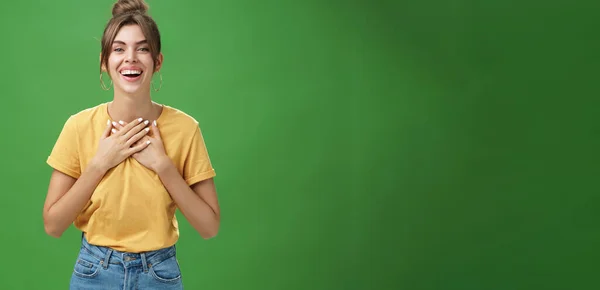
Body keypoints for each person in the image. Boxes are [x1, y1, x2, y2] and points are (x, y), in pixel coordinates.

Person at [42, 0, 220, 289]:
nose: (131, 58)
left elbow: (209, 227)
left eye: (143, 48)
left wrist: (164, 167)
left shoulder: (186, 129)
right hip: (93, 273)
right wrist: (100, 163)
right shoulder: (78, 126)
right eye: (119, 48)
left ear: (157, 61)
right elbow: (53, 225)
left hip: (159, 274)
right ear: (104, 61)